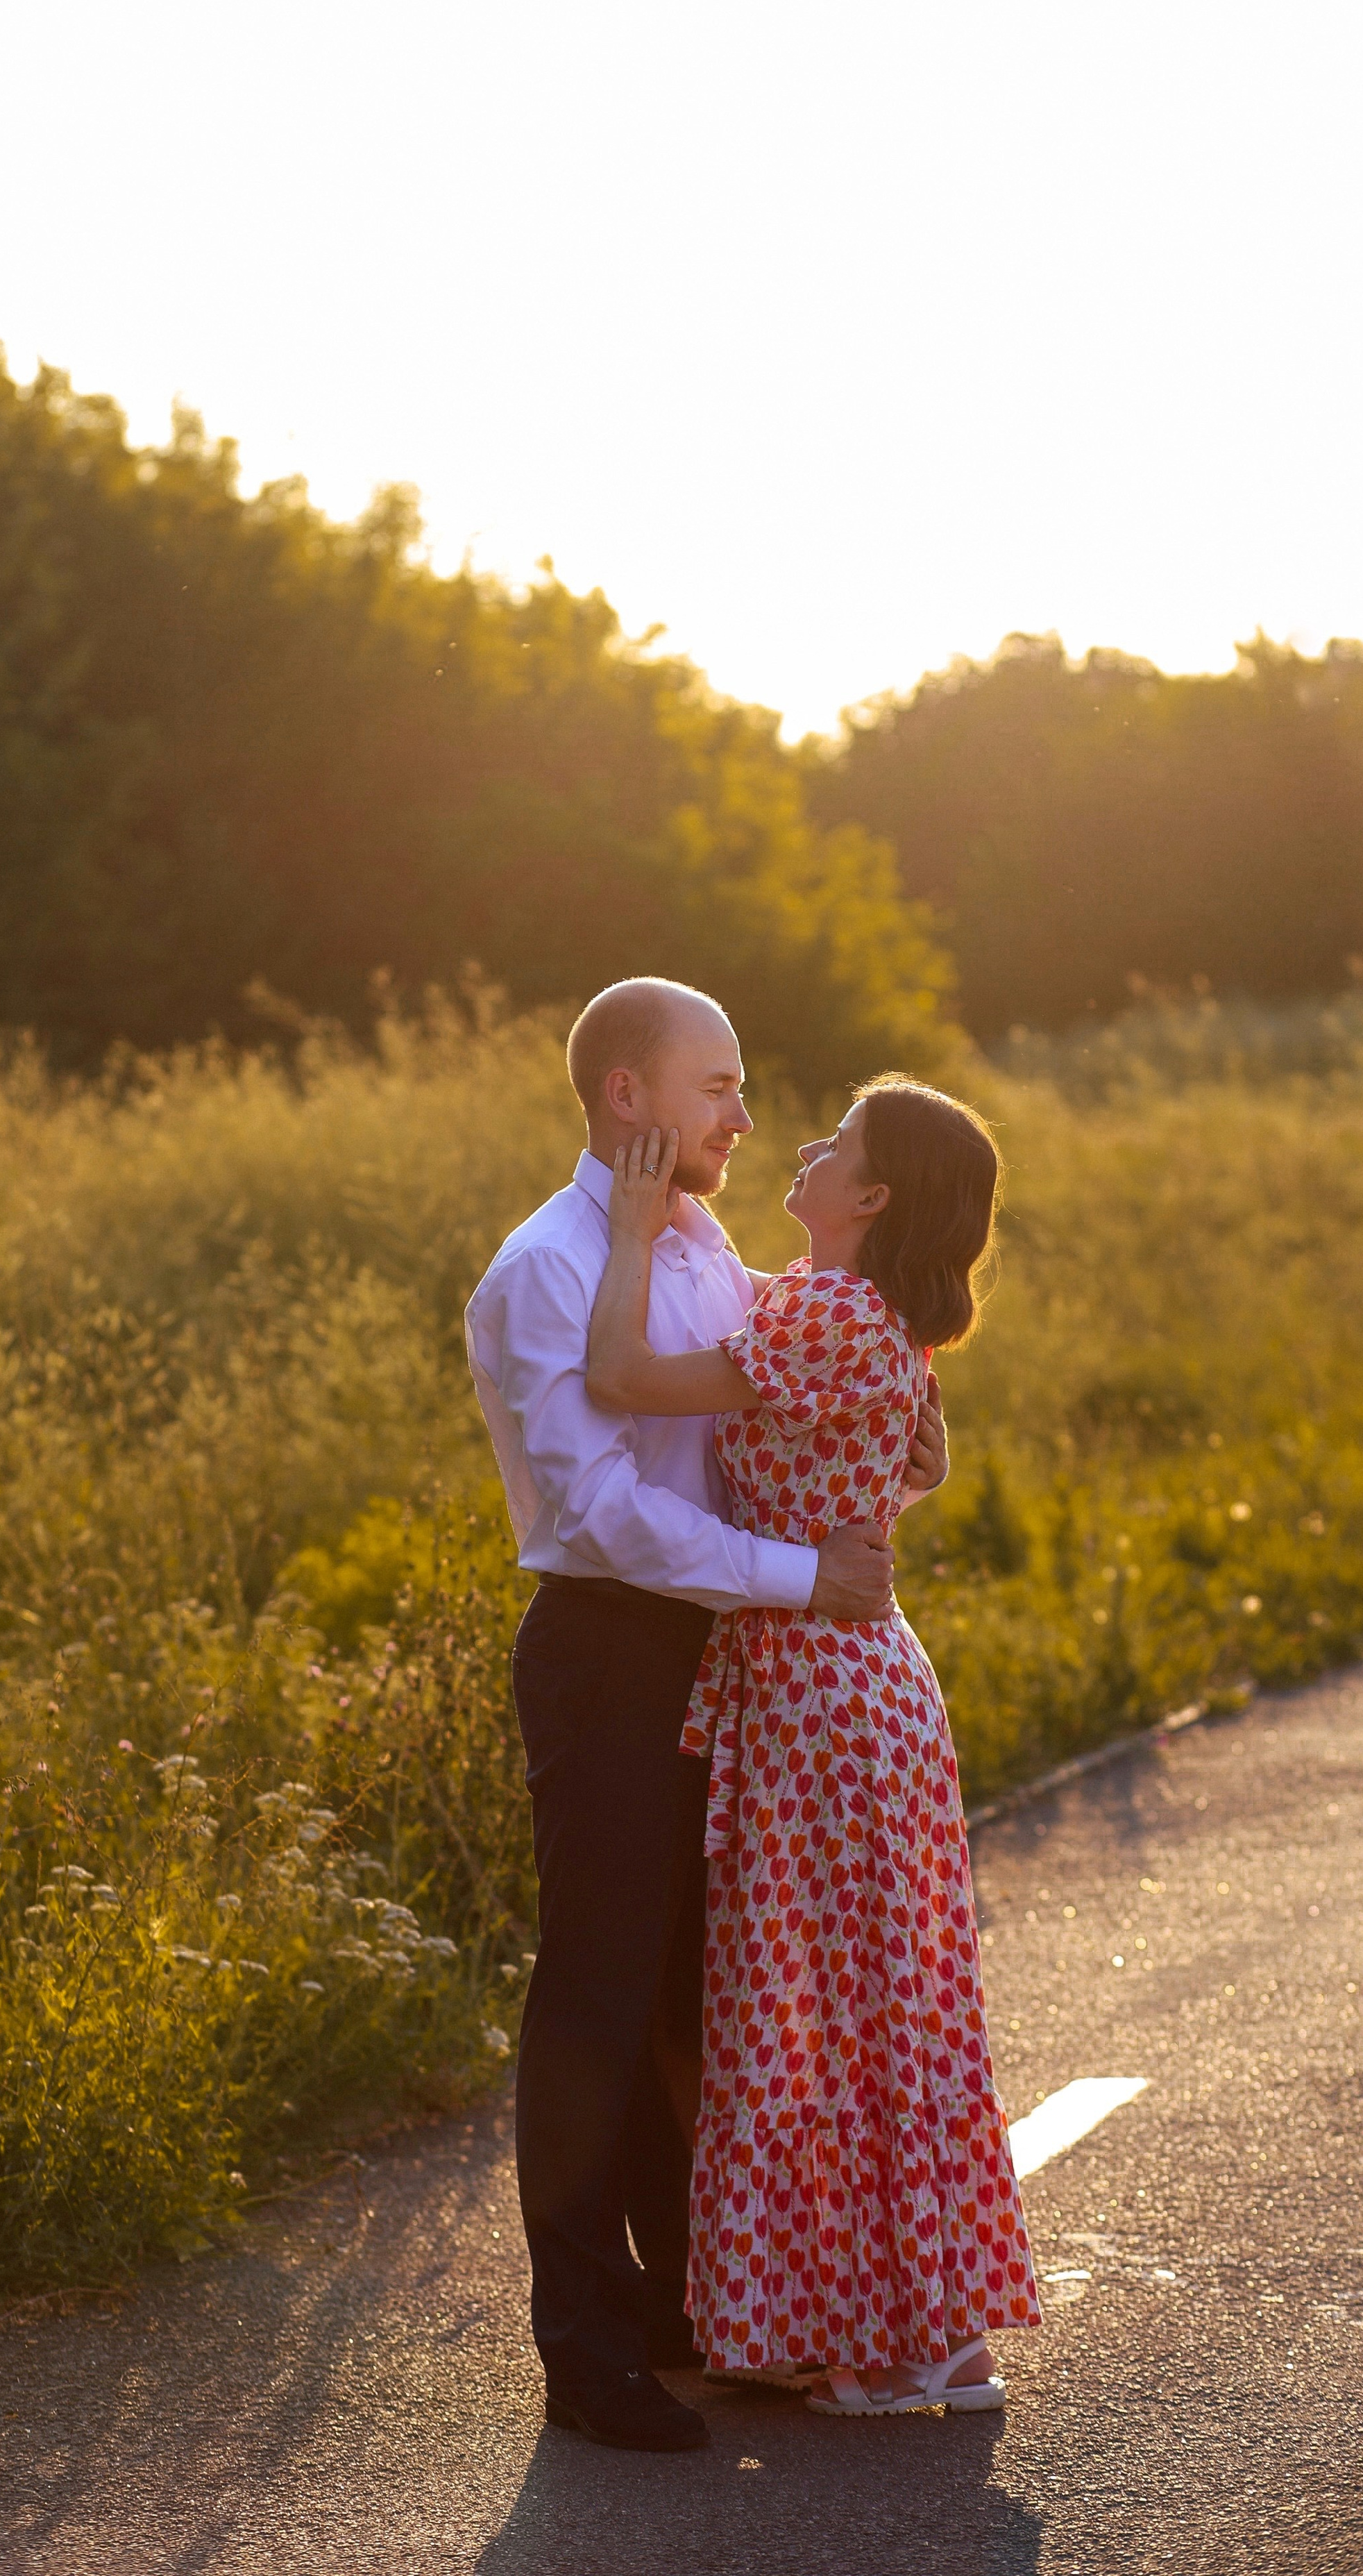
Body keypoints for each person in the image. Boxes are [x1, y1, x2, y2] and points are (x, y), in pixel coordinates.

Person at [464, 979, 950, 2455]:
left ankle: (688, 2305)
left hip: (735, 1662)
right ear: (628, 1096)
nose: (743, 1115)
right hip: (615, 1651)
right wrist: (804, 1580)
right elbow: (598, 1515)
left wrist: (898, 1442)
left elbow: (791, 1414)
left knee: (700, 1995)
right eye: (718, 1086)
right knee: (599, 1997)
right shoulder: (548, 1267)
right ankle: (583, 2348)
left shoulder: (705, 1246)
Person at [585, 1078, 1040, 2417]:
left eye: (837, 1142)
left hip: (818, 1697)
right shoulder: (848, 1309)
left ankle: (890, 2347)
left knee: (822, 2016)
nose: (804, 1146)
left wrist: (630, 1232)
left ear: (875, 1195)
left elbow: (620, 1379)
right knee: (888, 2009)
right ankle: (934, 2328)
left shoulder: (834, 1312)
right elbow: (902, 1466)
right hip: (854, 1686)